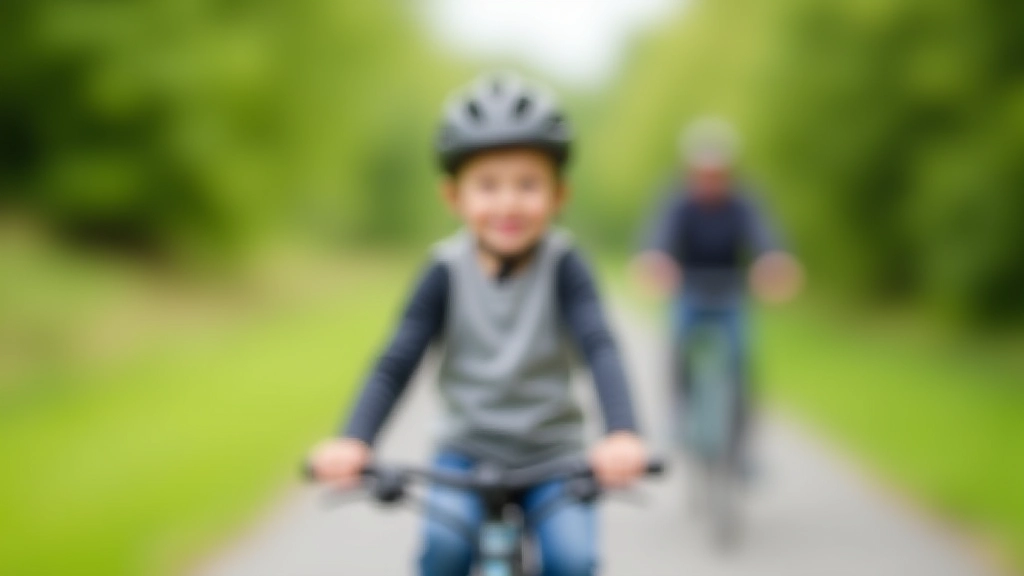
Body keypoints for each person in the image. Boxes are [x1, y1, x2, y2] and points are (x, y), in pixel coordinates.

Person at [309, 73, 648, 576]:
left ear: (559, 195)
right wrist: (354, 439)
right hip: (463, 454)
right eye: (488, 186)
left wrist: (622, 433)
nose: (508, 203)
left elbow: (600, 345)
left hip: (552, 457)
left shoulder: (565, 266)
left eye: (528, 185)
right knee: (443, 550)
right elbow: (397, 360)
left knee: (572, 558)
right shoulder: (443, 270)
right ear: (454, 196)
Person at [631, 116, 802, 469]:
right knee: (678, 346)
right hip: (689, 288)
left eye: (717, 173)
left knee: (743, 360)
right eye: (703, 172)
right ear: (691, 171)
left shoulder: (743, 201)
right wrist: (656, 260)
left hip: (731, 290)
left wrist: (773, 260)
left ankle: (741, 448)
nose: (710, 180)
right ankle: (679, 414)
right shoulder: (677, 200)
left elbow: (764, 234)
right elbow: (659, 235)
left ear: (728, 172)